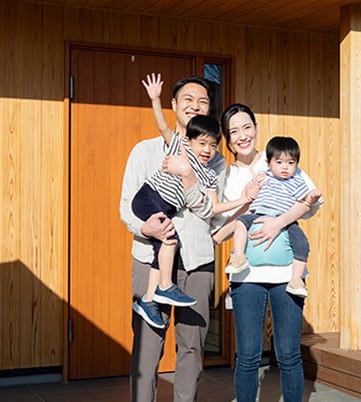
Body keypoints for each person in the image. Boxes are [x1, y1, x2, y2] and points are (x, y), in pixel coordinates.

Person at [120, 75, 223, 402]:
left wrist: (189, 176)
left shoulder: (214, 158)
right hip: (148, 257)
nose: (195, 106)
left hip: (197, 260)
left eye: (203, 101)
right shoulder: (145, 150)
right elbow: (127, 206)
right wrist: (146, 228)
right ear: (174, 104)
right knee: (147, 344)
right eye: (188, 99)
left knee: (192, 345)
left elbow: (211, 210)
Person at [211, 103, 323, 402]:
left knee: (288, 354)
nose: (242, 136)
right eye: (234, 131)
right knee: (248, 355)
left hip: (287, 273)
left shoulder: (279, 158)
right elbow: (219, 234)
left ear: (256, 128)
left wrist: (278, 222)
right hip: (247, 276)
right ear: (227, 139)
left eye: (247, 127)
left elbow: (311, 203)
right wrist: (245, 201)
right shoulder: (225, 177)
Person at [131, 74, 241, 329]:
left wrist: (241, 200)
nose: (207, 149)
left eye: (212, 145)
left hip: (194, 253)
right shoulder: (177, 146)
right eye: (188, 99)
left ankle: (150, 298)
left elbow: (211, 207)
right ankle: (164, 287)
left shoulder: (212, 168)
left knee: (164, 245)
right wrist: (155, 99)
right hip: (150, 199)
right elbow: (161, 125)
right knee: (167, 237)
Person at [224, 136, 322, 298]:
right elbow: (250, 190)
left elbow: (305, 201)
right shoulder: (263, 176)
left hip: (283, 217)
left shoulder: (296, 181)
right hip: (258, 213)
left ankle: (296, 279)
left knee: (302, 243)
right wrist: (251, 188)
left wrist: (312, 197)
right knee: (240, 223)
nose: (285, 167)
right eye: (279, 162)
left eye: (290, 163)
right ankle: (239, 257)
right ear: (268, 162)